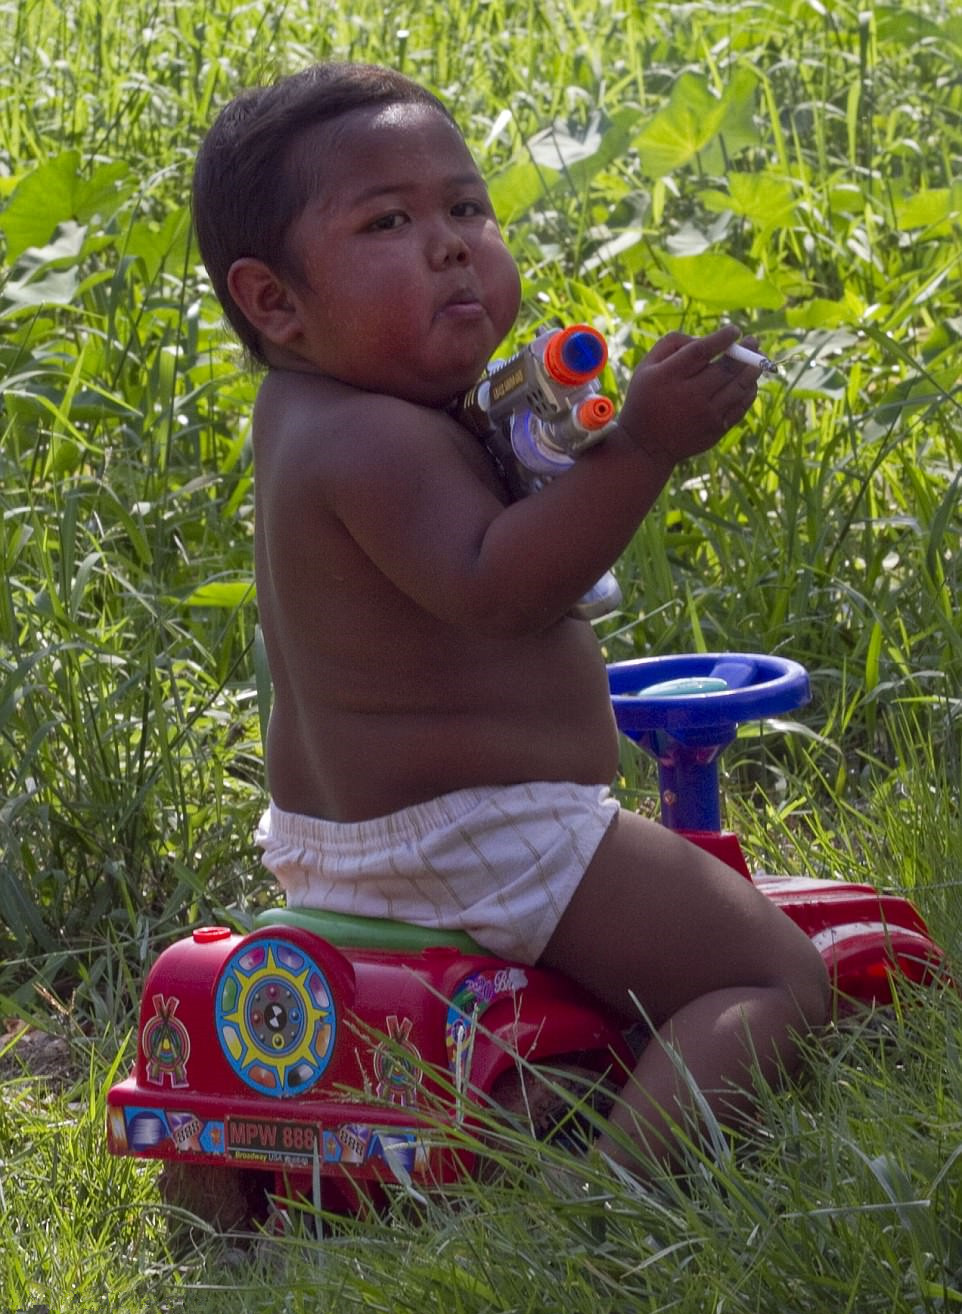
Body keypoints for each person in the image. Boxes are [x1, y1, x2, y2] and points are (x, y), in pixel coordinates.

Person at [192, 61, 830, 1173]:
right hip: (484, 838)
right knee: (769, 976)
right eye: (388, 221)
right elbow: (501, 590)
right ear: (274, 301)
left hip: (343, 849)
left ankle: (515, 1105)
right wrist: (640, 448)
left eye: (466, 208)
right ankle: (613, 1208)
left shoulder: (317, 411)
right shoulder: (372, 438)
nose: (449, 243)